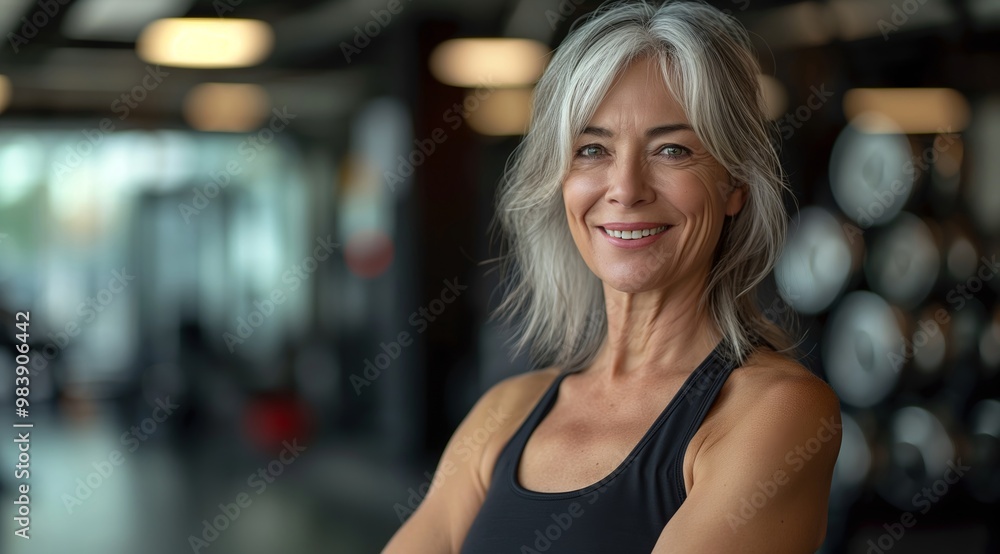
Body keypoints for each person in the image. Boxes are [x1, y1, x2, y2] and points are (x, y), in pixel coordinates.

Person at [383, 1, 841, 552]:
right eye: (592, 150)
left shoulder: (773, 412)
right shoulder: (506, 412)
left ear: (734, 184)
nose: (625, 188)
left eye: (672, 149)